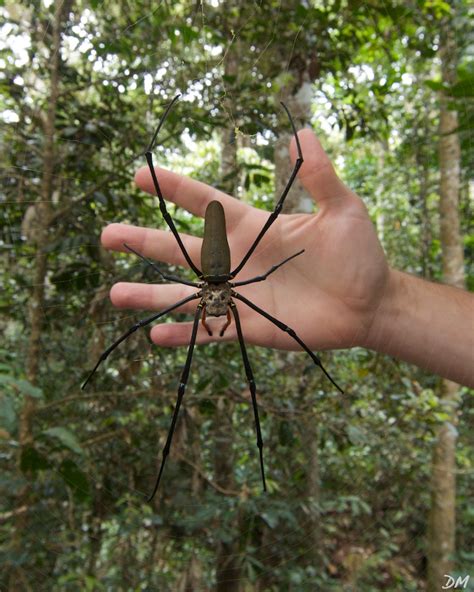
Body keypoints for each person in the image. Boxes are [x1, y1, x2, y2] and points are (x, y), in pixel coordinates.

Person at [101, 128, 474, 388]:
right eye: (216, 305)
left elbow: (180, 281)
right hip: (222, 270)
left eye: (214, 305)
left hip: (213, 269)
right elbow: (267, 299)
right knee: (151, 329)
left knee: (188, 349)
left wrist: (379, 305)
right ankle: (100, 363)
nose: (214, 307)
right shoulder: (235, 290)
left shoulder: (209, 292)